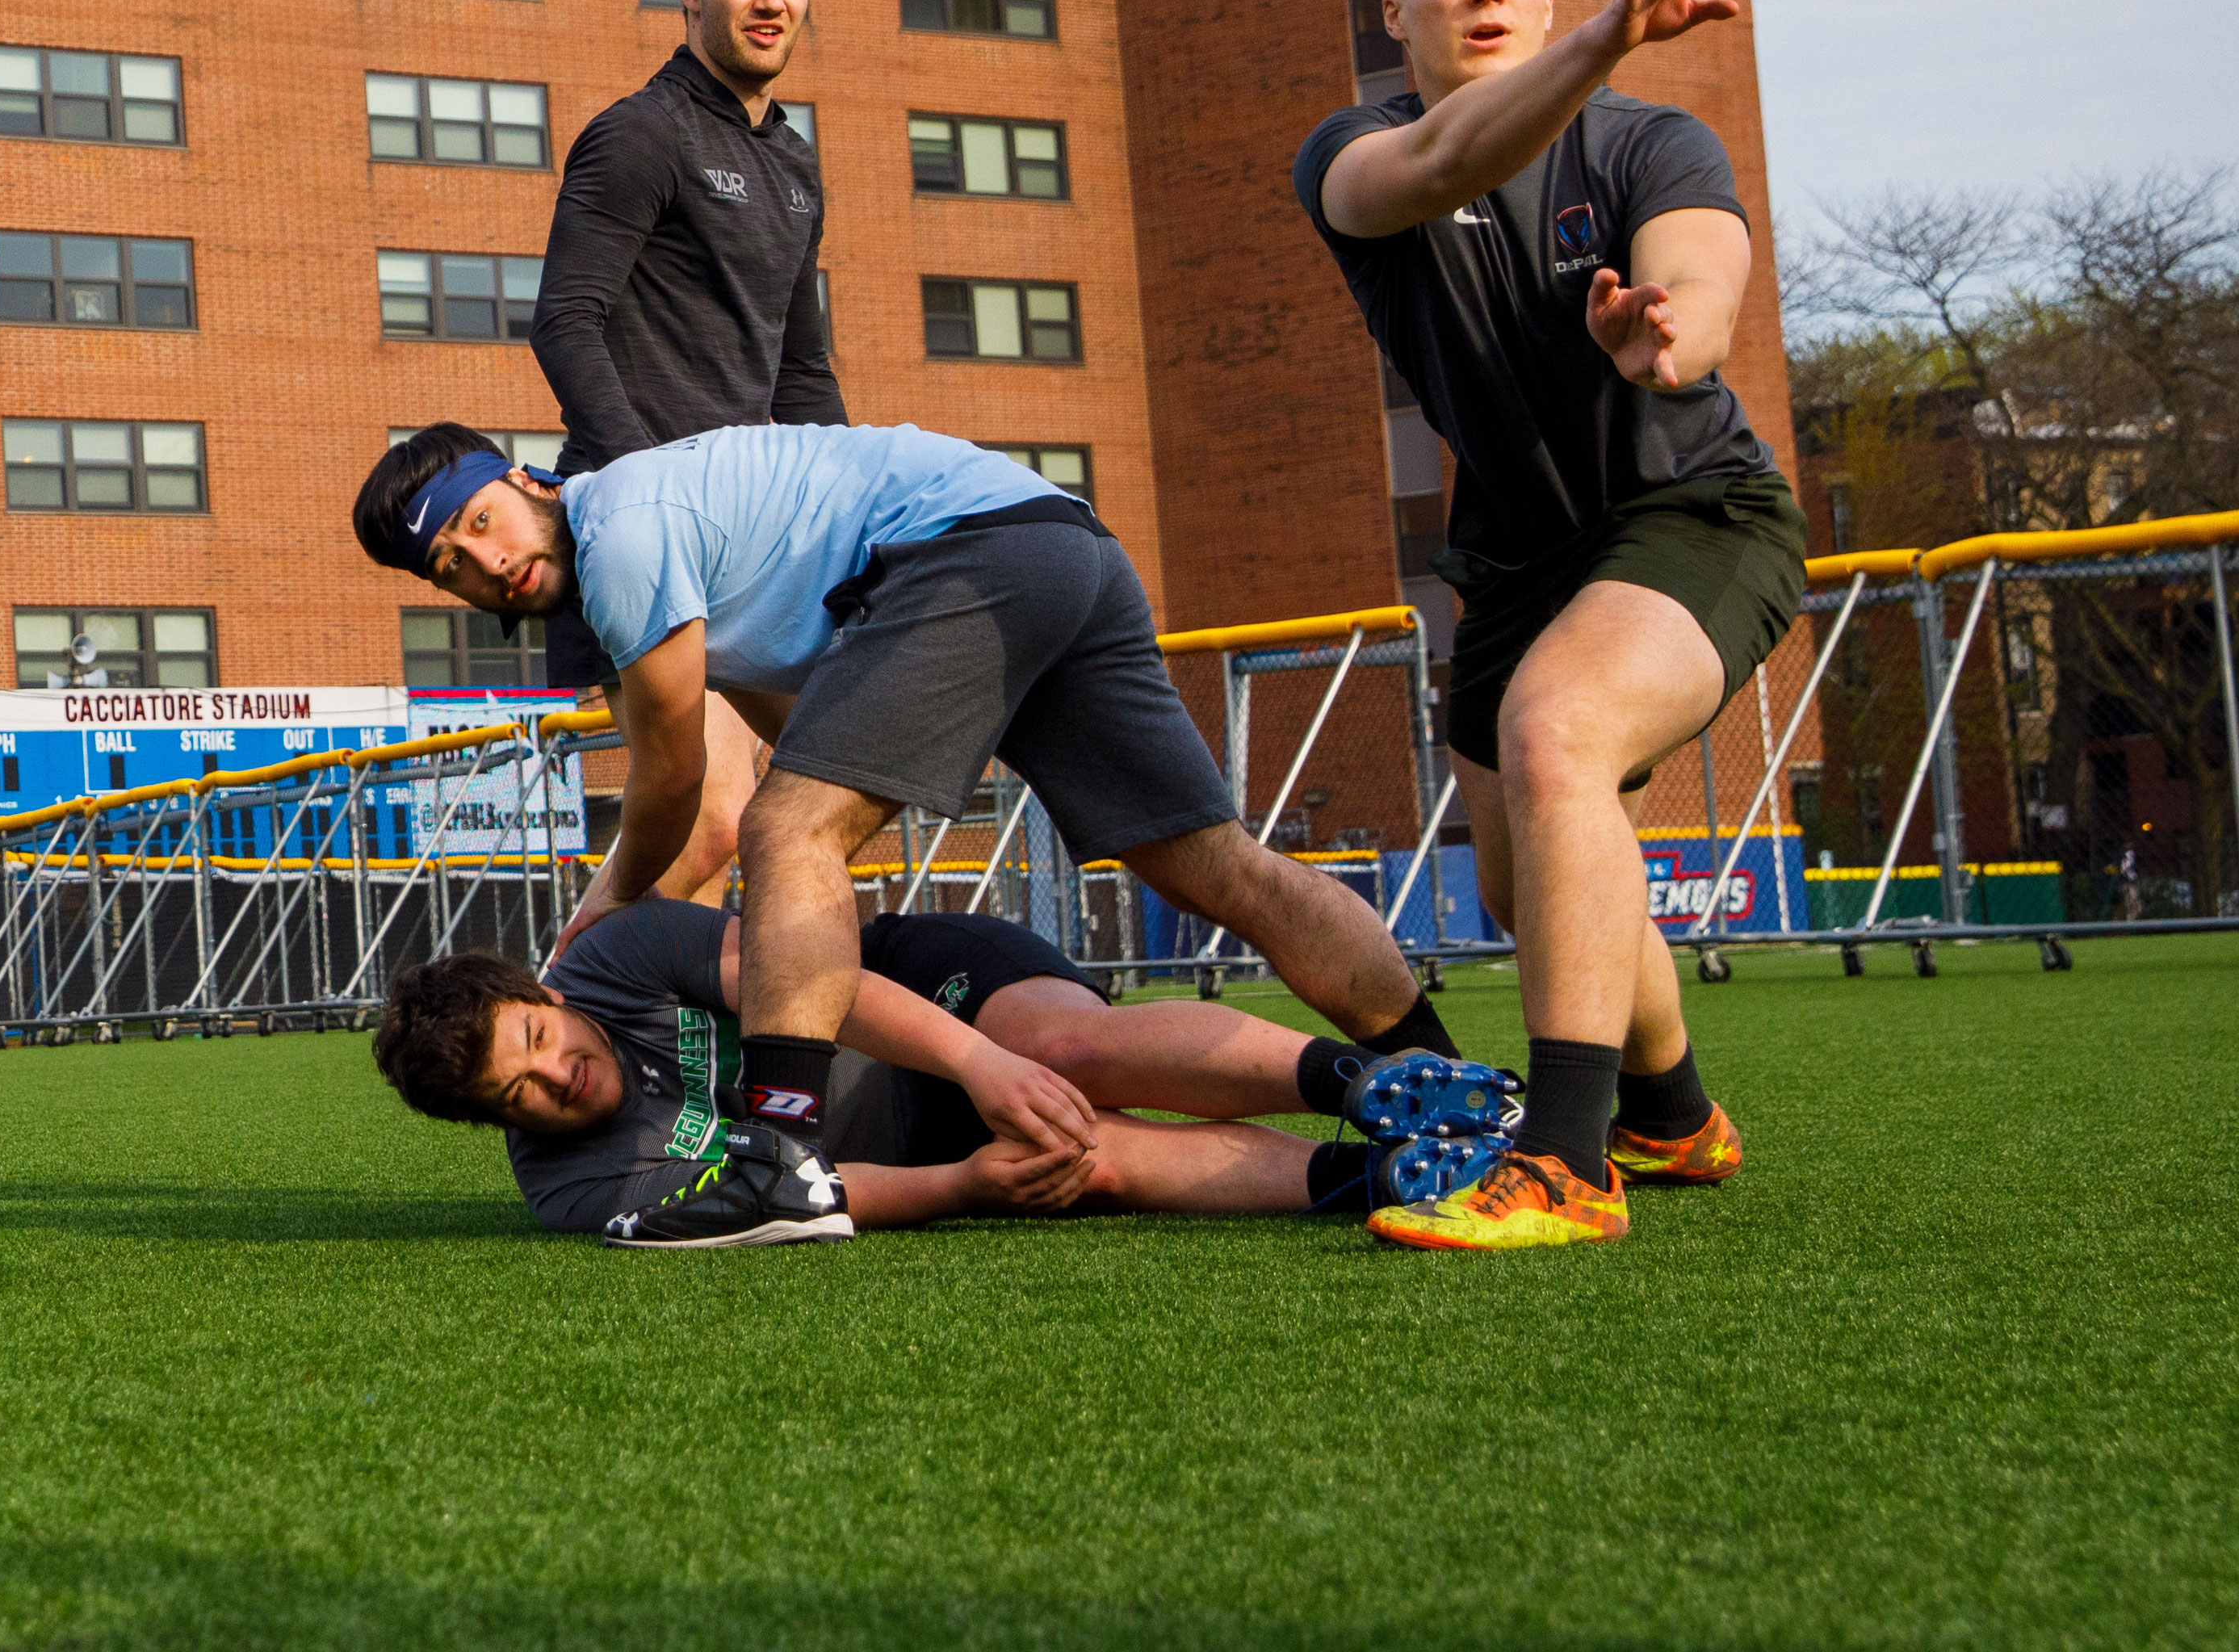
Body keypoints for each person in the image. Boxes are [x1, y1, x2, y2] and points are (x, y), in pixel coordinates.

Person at [349, 414, 1469, 1241]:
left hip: (964, 553)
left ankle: (781, 1153)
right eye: (455, 565)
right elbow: (808, 723)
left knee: (787, 830)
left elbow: (679, 777)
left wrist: (600, 911)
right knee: (1215, 869)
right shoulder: (657, 556)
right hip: (1052, 541)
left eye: (483, 522)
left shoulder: (623, 535)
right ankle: (1448, 1091)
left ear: (528, 477)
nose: (489, 563)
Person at [1297, 0, 1798, 1252]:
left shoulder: (1647, 144)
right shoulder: (1349, 155)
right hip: (1516, 558)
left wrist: (1662, 341)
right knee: (1529, 881)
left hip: (1690, 511)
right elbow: (1452, 156)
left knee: (1557, 727)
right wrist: (1605, 34)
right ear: (1390, 13)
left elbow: (1703, 284)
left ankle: (1565, 1164)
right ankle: (1672, 1114)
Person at [371, 902, 1516, 1243]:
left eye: (536, 1042)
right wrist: (971, 1181)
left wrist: (978, 1061)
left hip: (914, 990)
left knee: (1055, 1057)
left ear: (549, 995)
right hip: (903, 1145)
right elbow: (804, 1200)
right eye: (512, 1092)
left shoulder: (616, 958)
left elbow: (812, 976)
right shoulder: (568, 1191)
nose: (553, 1079)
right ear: (494, 1122)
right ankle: (1388, 1179)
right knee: (1081, 1154)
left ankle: (1373, 1083)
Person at [526, 0, 840, 894]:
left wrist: (840, 520)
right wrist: (645, 489)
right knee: (706, 821)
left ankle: (701, 1046)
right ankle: (575, 1011)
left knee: (815, 800)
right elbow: (563, 323)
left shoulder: (795, 166)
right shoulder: (640, 134)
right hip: (649, 528)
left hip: (755, 538)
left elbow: (799, 375)